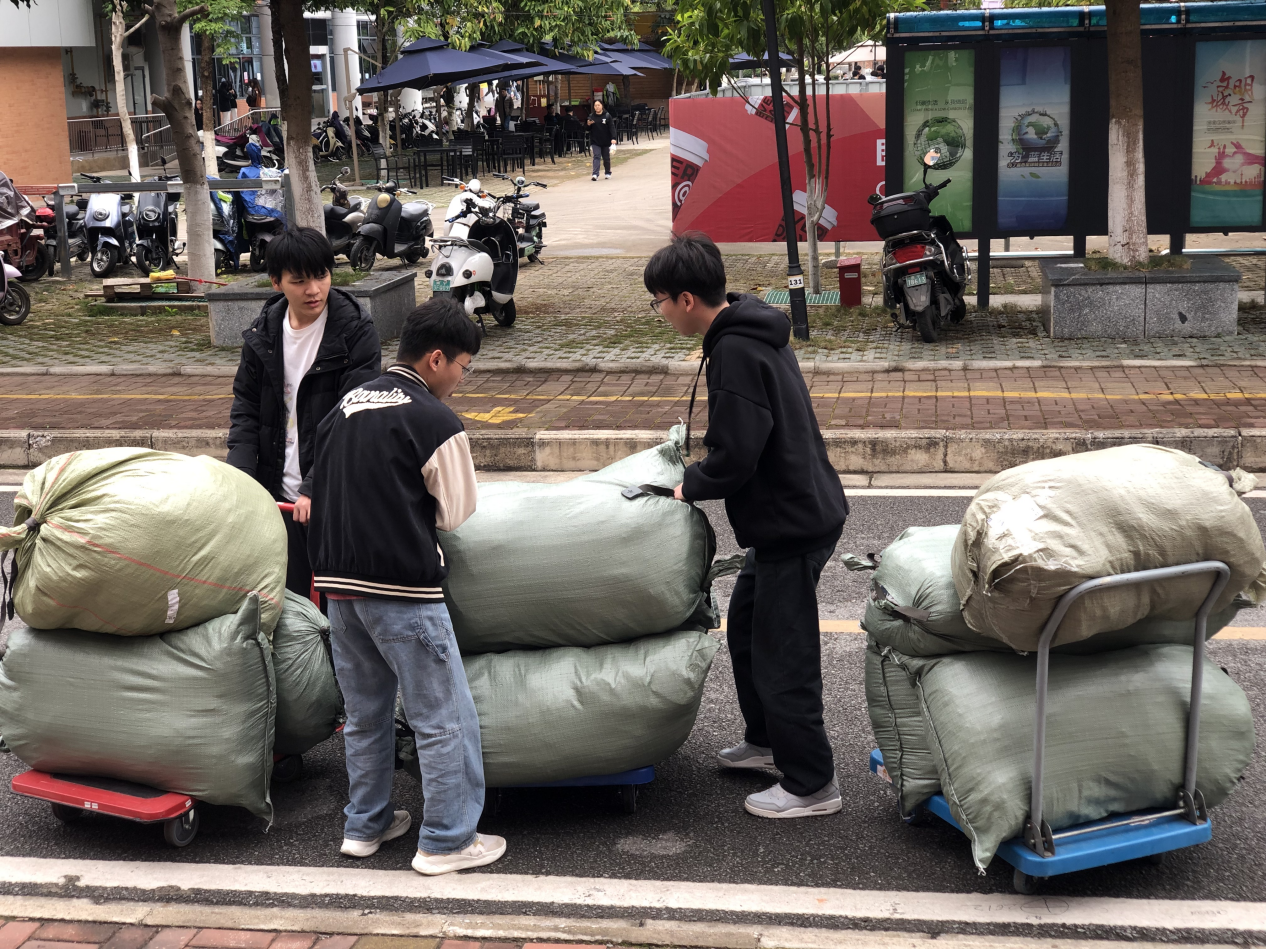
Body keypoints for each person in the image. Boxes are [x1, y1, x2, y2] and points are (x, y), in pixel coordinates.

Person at [643, 233, 849, 819]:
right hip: (791, 513)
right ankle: (766, 744)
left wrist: (690, 485)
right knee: (747, 628)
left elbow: (736, 455)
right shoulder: (746, 329)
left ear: (686, 299)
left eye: (658, 302)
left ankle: (812, 783)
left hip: (792, 523)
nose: (659, 314)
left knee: (784, 655)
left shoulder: (735, 350)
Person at [306, 296, 506, 876]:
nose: (462, 381)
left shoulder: (348, 402)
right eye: (464, 368)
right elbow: (455, 514)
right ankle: (446, 840)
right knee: (441, 716)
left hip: (339, 590)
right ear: (437, 359)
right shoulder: (434, 419)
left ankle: (365, 827)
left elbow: (319, 480)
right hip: (402, 592)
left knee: (366, 715)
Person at [227, 227, 381, 600]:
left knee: (338, 611)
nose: (314, 289)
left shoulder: (356, 333)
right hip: (278, 498)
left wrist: (316, 487)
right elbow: (246, 412)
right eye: (299, 281)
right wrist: (241, 483)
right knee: (291, 607)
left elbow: (353, 418)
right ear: (276, 282)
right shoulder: (262, 334)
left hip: (332, 502)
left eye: (322, 276)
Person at [587, 99, 616, 181]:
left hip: (606, 141)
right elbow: (587, 129)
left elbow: (611, 127)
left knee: (606, 158)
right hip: (595, 141)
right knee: (596, 156)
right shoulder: (591, 116)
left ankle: (607, 172)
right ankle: (595, 174)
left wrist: (613, 138)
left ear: (602, 106)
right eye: (595, 105)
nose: (597, 107)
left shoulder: (607, 116)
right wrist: (588, 124)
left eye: (598, 105)